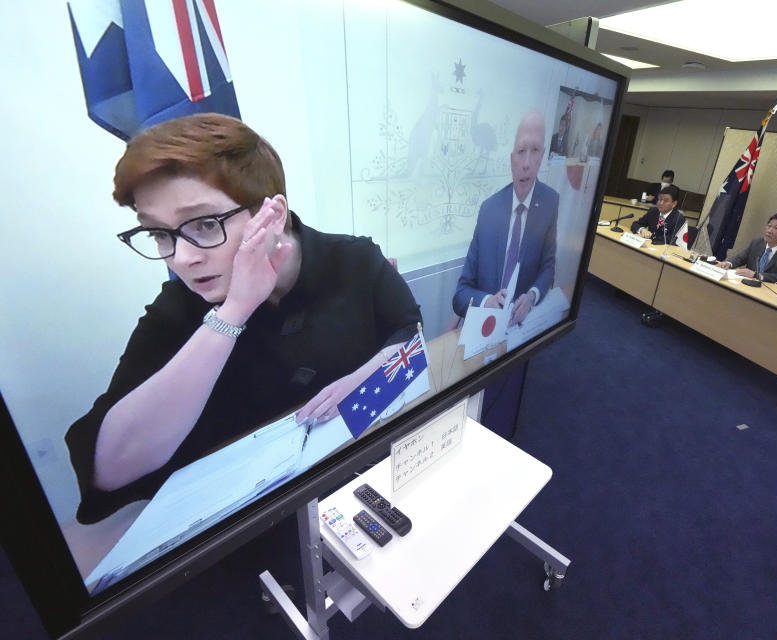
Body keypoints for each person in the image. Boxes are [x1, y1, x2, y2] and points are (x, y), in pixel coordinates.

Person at [65, 114, 422, 523]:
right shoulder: (179, 307)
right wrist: (233, 312)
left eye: (204, 224)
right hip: (252, 532)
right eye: (160, 234)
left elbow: (410, 334)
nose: (181, 258)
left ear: (273, 214)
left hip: (366, 485)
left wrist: (370, 381)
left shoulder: (353, 259)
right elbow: (109, 468)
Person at [453, 111, 558, 327]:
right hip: (482, 331)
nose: (526, 163)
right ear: (512, 159)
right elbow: (461, 294)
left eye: (535, 150)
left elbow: (548, 267)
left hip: (520, 331)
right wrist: (487, 302)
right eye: (521, 151)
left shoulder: (550, 203)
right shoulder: (488, 210)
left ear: (543, 156)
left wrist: (532, 296)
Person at [718, 212, 777, 284]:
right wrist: (729, 263)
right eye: (769, 226)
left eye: (776, 228)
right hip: (747, 285)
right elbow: (741, 258)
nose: (769, 231)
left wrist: (756, 275)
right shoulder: (757, 243)